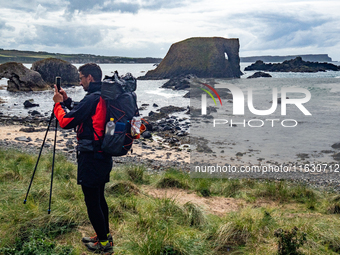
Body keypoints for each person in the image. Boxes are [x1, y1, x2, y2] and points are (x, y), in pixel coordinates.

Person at [53, 63, 113, 254]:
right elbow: (84, 114)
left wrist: (57, 104)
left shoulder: (93, 98)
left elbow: (66, 121)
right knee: (99, 197)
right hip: (103, 155)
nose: (80, 82)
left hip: (91, 157)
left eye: (81, 78)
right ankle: (104, 236)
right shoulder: (103, 95)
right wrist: (67, 100)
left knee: (92, 201)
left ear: (90, 77)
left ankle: (103, 244)